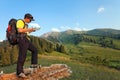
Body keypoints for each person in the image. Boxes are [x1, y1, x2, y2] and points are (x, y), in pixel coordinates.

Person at [16, 13, 38, 78]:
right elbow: (19, 30)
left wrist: (31, 31)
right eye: (30, 20)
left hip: (26, 40)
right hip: (22, 39)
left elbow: (26, 32)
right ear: (26, 18)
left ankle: (34, 66)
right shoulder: (20, 21)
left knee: (35, 50)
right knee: (22, 55)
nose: (30, 21)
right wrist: (29, 29)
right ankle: (19, 72)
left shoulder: (26, 25)